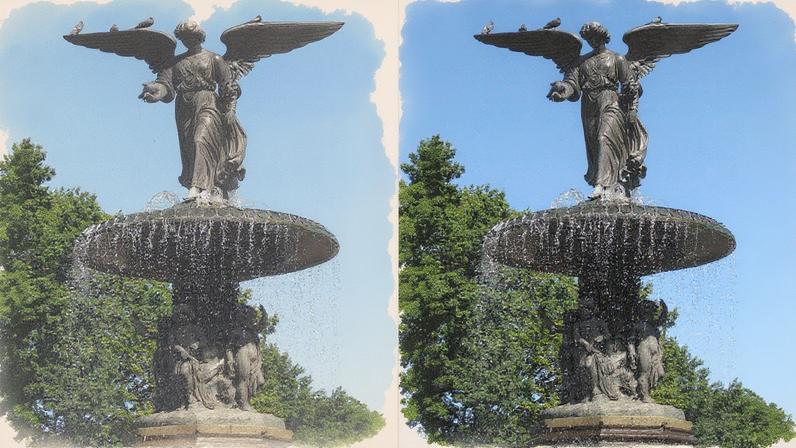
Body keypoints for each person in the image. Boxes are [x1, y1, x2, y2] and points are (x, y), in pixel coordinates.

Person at [139, 20, 246, 201]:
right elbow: (166, 86)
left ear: (199, 37)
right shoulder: (175, 62)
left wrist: (231, 111)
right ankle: (202, 186)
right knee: (190, 149)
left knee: (201, 140)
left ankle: (199, 188)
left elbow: (229, 88)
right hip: (184, 107)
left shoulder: (215, 59)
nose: (187, 41)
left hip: (209, 102)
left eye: (190, 37)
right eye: (184, 38)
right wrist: (156, 93)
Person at [547, 22, 647, 200]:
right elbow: (572, 85)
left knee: (604, 139)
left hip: (611, 101)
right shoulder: (581, 62)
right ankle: (606, 184)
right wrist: (562, 91)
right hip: (589, 104)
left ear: (602, 37)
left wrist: (632, 110)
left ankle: (602, 186)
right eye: (588, 39)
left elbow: (630, 86)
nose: (591, 41)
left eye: (594, 38)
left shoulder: (617, 59)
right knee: (595, 145)